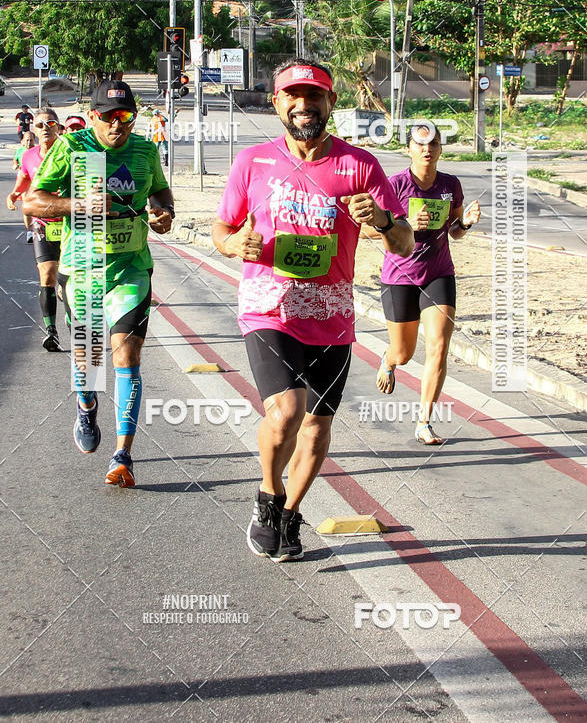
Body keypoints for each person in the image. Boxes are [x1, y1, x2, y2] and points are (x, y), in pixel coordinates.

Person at [212, 58, 414, 562]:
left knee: (318, 425)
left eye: (316, 96)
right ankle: (267, 495)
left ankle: (290, 512)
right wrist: (235, 244)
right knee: (287, 412)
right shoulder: (252, 162)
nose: (305, 106)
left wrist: (385, 220)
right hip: (269, 307)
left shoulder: (360, 165)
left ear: (331, 102)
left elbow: (405, 244)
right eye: (293, 97)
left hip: (333, 314)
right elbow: (221, 231)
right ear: (277, 103)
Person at [24, 80, 175, 487]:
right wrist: (78, 204)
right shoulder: (74, 148)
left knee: (125, 353)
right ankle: (86, 403)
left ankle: (122, 454)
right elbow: (32, 201)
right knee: (89, 361)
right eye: (107, 116)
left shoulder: (144, 150)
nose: (116, 124)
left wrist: (164, 213)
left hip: (130, 267)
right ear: (93, 116)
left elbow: (161, 193)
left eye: (124, 116)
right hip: (84, 267)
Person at [373, 123, 481, 444]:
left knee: (438, 347)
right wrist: (404, 221)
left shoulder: (450, 185)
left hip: (438, 272)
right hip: (399, 276)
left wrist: (467, 223)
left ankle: (424, 422)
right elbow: (373, 230)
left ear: (440, 150)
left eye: (433, 144)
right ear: (409, 150)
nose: (427, 150)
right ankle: (389, 360)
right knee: (404, 353)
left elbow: (455, 232)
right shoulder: (394, 185)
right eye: (420, 145)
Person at [6, 110, 64, 349]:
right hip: (43, 222)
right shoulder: (29, 156)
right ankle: (51, 331)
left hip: (72, 223)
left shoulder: (70, 153)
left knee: (70, 282)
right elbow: (23, 181)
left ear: (58, 127)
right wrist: (13, 194)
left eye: (50, 123)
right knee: (47, 274)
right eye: (40, 124)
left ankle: (75, 325)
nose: (45, 128)